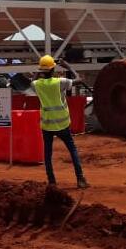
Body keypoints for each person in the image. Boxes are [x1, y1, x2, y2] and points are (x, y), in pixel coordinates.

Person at [31, 55, 88, 189]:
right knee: (72, 150)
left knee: (48, 154)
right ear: (53, 69)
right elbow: (79, 80)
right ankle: (80, 179)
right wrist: (68, 66)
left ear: (41, 71)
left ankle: (52, 182)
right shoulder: (59, 82)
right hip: (63, 124)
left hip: (47, 124)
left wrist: (39, 70)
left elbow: (32, 81)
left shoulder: (37, 84)